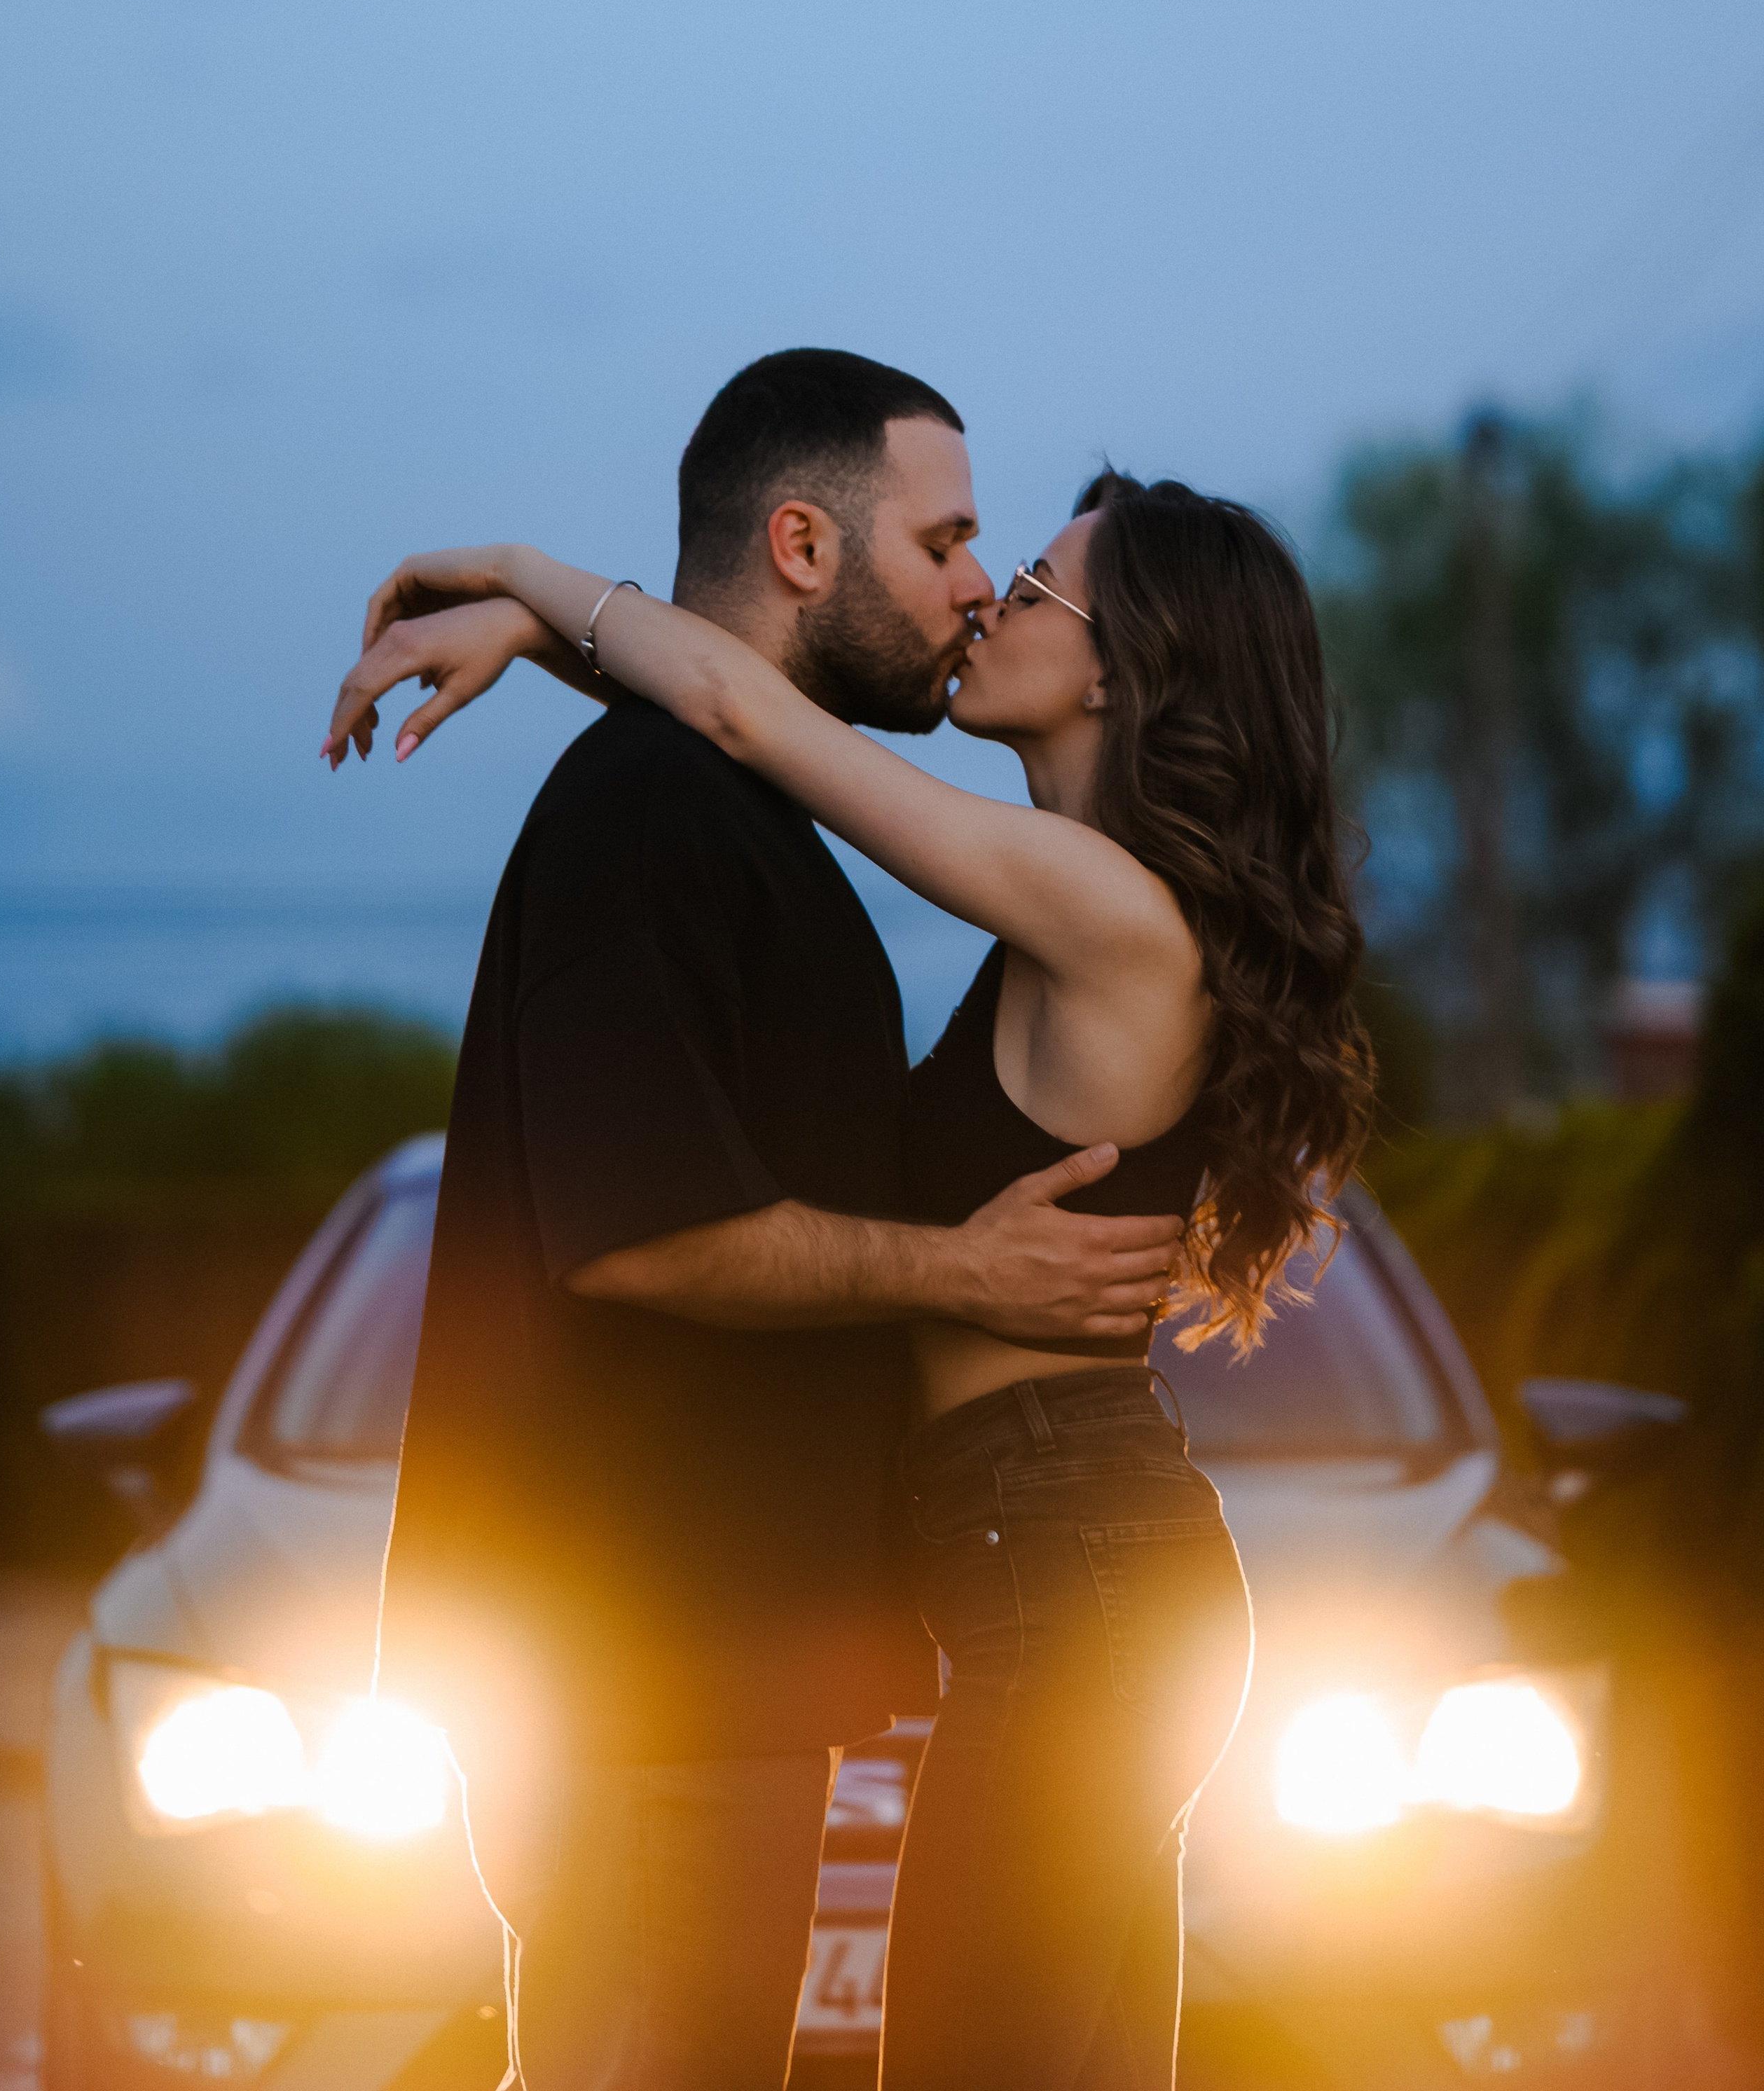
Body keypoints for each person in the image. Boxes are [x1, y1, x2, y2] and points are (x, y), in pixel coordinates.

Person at [329, 406, 1374, 2089]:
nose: (984, 601)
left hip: (1072, 1576)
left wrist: (523, 580)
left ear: (1123, 672)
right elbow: (736, 739)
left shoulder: (1107, 909)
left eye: (1027, 586)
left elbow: (747, 710)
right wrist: (555, 642)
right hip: (1080, 1566)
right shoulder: (1089, 900)